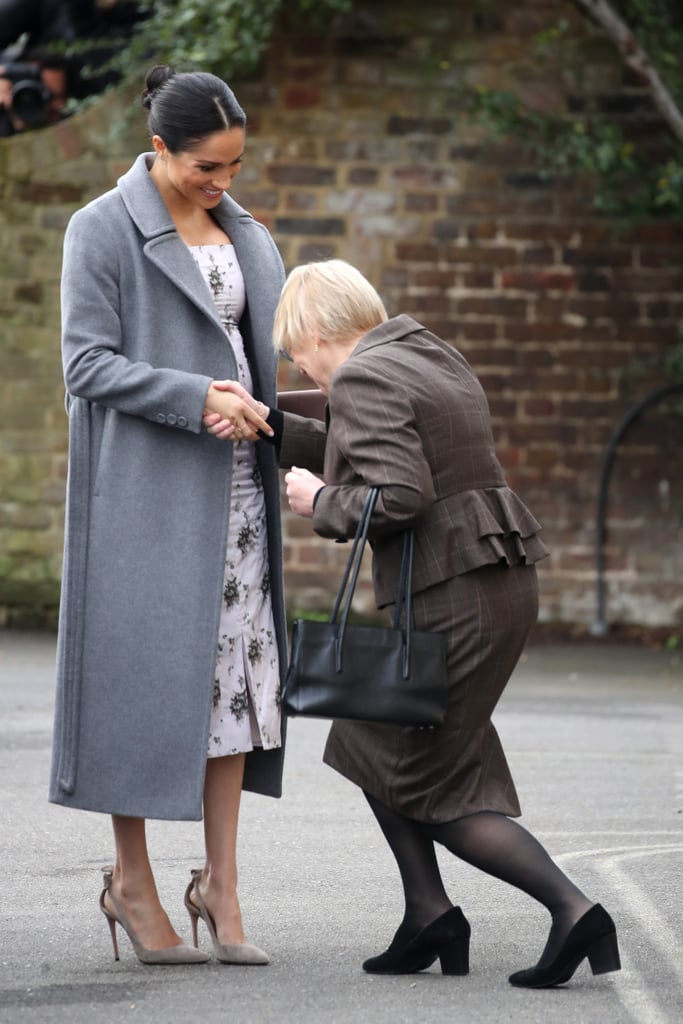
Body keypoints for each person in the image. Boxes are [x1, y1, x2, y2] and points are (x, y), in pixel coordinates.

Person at [205, 259, 621, 988]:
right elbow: (372, 445)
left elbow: (396, 493)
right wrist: (273, 430)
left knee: (430, 786)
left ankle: (573, 910)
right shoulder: (425, 351)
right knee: (372, 737)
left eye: (293, 349)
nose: (296, 362)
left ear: (314, 330)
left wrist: (318, 501)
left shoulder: (363, 375)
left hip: (450, 591)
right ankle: (426, 913)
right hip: (494, 579)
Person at [49, 64, 288, 967]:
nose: (221, 183)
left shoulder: (246, 232)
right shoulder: (99, 230)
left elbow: (259, 356)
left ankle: (221, 889)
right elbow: (86, 365)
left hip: (238, 501)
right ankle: (132, 883)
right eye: (204, 168)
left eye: (233, 166)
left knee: (233, 696)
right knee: (141, 692)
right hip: (147, 501)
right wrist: (199, 397)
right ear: (159, 149)